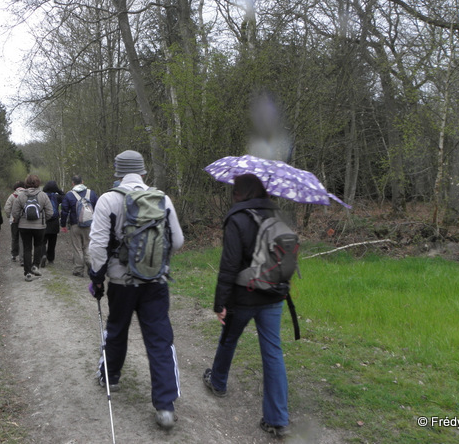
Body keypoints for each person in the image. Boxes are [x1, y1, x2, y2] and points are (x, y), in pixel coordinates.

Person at [88, 150, 184, 429]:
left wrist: (97, 278)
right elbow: (177, 241)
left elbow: (97, 247)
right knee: (159, 339)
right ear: (143, 172)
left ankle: (111, 378)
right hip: (156, 283)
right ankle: (165, 407)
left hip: (121, 282)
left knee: (117, 329)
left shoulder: (108, 199)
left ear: (117, 173)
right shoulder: (162, 198)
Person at [203, 173, 291, 438]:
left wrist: (220, 302)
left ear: (240, 192)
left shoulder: (237, 218)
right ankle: (277, 419)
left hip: (242, 297)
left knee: (229, 339)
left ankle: (218, 382)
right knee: (273, 353)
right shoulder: (278, 216)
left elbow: (229, 265)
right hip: (273, 296)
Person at [10, 174, 53, 281]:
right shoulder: (43, 195)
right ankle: (35, 266)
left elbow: (14, 213)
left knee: (27, 248)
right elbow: (50, 212)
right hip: (39, 227)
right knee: (38, 245)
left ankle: (27, 273)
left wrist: (21, 218)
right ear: (38, 183)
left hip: (24, 226)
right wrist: (43, 220)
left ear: (26, 183)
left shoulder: (21, 196)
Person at [60, 175, 99, 277]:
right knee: (88, 246)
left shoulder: (69, 195)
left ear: (73, 183)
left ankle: (78, 270)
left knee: (77, 248)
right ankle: (90, 262)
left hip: (75, 225)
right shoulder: (92, 193)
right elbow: (98, 208)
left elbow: (64, 211)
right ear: (83, 181)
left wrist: (63, 224)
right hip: (90, 225)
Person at [42, 180, 64, 267]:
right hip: (54, 222)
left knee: (42, 241)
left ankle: (42, 255)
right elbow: (65, 196)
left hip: (44, 221)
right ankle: (50, 259)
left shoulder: (42, 196)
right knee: (52, 242)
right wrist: (58, 190)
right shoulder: (57, 197)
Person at [3, 181, 25, 263]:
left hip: (14, 220)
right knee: (22, 239)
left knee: (14, 237)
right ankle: (22, 258)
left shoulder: (12, 196)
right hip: (24, 220)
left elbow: (7, 208)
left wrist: (10, 216)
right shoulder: (26, 195)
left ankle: (14, 255)